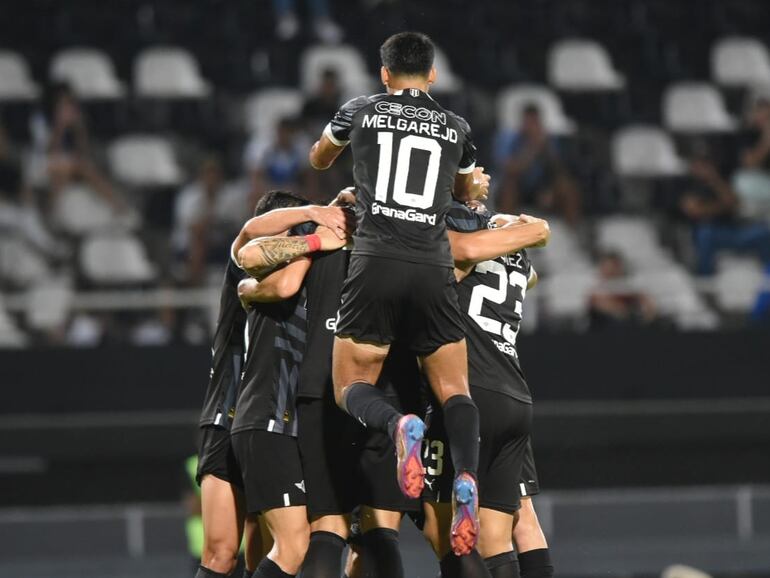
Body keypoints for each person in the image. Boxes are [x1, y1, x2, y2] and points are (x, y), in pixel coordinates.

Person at [309, 30, 489, 557]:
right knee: (455, 389)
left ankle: (397, 424)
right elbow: (464, 191)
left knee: (349, 384)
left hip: (375, 259)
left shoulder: (360, 109)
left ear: (384, 74)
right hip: (432, 263)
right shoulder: (456, 127)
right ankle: (468, 478)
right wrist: (473, 189)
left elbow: (320, 158)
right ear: (432, 75)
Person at [194, 190, 347, 578]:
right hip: (226, 414)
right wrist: (314, 217)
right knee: (221, 552)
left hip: (269, 413)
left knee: (262, 541)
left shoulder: (302, 271)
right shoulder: (249, 263)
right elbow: (251, 236)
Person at [421, 201, 549, 578]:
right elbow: (531, 275)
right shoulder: (520, 263)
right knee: (498, 538)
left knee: (444, 529)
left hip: (469, 394)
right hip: (516, 397)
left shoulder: (460, 258)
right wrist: (507, 228)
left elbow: (457, 250)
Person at [680, 148, 770, 321]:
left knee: (764, 233)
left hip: (732, 232)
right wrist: (721, 206)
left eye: (707, 166)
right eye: (700, 166)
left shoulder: (721, 182)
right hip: (708, 234)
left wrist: (715, 181)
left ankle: (768, 281)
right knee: (705, 234)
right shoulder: (687, 186)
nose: (704, 169)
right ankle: (706, 284)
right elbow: (695, 211)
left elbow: (734, 203)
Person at [494, 103, 581, 226]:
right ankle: (503, 231)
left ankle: (574, 230)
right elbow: (510, 169)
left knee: (567, 187)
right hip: (519, 187)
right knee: (509, 188)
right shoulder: (510, 139)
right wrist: (532, 148)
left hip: (540, 186)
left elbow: (558, 169)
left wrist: (546, 149)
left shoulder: (549, 140)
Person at [173, 155, 249, 285]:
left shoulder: (229, 196)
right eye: (208, 174)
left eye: (215, 174)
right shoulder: (189, 197)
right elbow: (194, 229)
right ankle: (195, 285)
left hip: (219, 243)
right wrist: (210, 208)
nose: (211, 179)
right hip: (189, 247)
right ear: (201, 176)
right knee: (198, 240)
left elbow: (238, 222)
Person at [588, 251, 657, 331]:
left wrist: (647, 312)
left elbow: (648, 305)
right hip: (604, 330)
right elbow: (607, 306)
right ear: (602, 268)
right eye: (608, 267)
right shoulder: (596, 289)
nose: (611, 270)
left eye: (614, 267)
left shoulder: (629, 287)